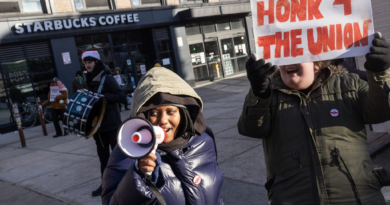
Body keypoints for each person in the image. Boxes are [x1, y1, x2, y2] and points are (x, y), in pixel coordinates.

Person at [237, 32, 390, 204]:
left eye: (296, 54)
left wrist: (381, 72)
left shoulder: (350, 84)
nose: (288, 61)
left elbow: (381, 111)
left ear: (316, 63)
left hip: (360, 198)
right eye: (283, 56)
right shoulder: (269, 95)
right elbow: (250, 128)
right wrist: (259, 94)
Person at [102, 67, 224, 205]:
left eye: (171, 111)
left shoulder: (204, 139)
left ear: (184, 113)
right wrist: (138, 176)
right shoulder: (128, 151)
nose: (163, 120)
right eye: (153, 113)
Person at [81, 50, 125, 197]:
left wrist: (103, 97)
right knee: (103, 158)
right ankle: (106, 184)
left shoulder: (107, 78)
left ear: (96, 62)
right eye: (85, 62)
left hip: (112, 124)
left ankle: (125, 182)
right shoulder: (87, 78)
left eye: (90, 62)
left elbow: (121, 96)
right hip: (97, 127)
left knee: (119, 156)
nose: (87, 65)